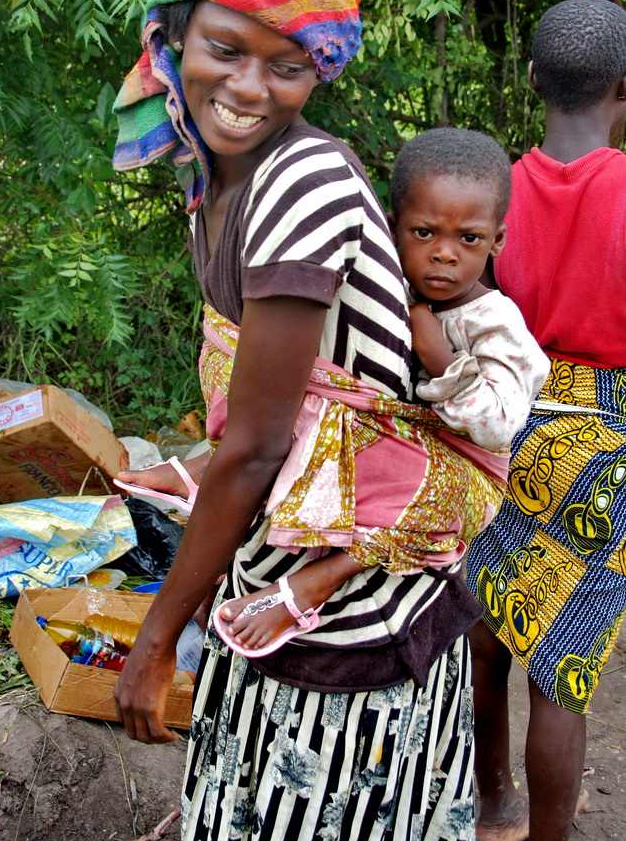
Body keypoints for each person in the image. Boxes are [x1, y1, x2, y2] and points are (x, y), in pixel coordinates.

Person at [112, 0, 489, 841]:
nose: (247, 88)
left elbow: (257, 446)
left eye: (287, 66)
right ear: (172, 35)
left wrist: (155, 639)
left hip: (352, 602)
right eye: (223, 49)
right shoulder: (213, 177)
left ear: (320, 69)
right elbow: (257, 421)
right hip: (278, 566)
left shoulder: (302, 185)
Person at [215, 127, 550, 656]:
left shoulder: (495, 323)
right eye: (424, 233)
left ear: (497, 241)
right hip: (395, 449)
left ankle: (321, 578)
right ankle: (208, 476)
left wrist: (440, 356)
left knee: (424, 499)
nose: (445, 254)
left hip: (464, 472)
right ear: (393, 229)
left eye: (469, 239)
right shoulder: (391, 287)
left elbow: (497, 426)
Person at [465, 0, 626, 841]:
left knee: (488, 619)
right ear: (624, 90)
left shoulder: (491, 188)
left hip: (501, 415)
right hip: (606, 440)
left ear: (530, 79)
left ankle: (494, 803)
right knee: (561, 673)